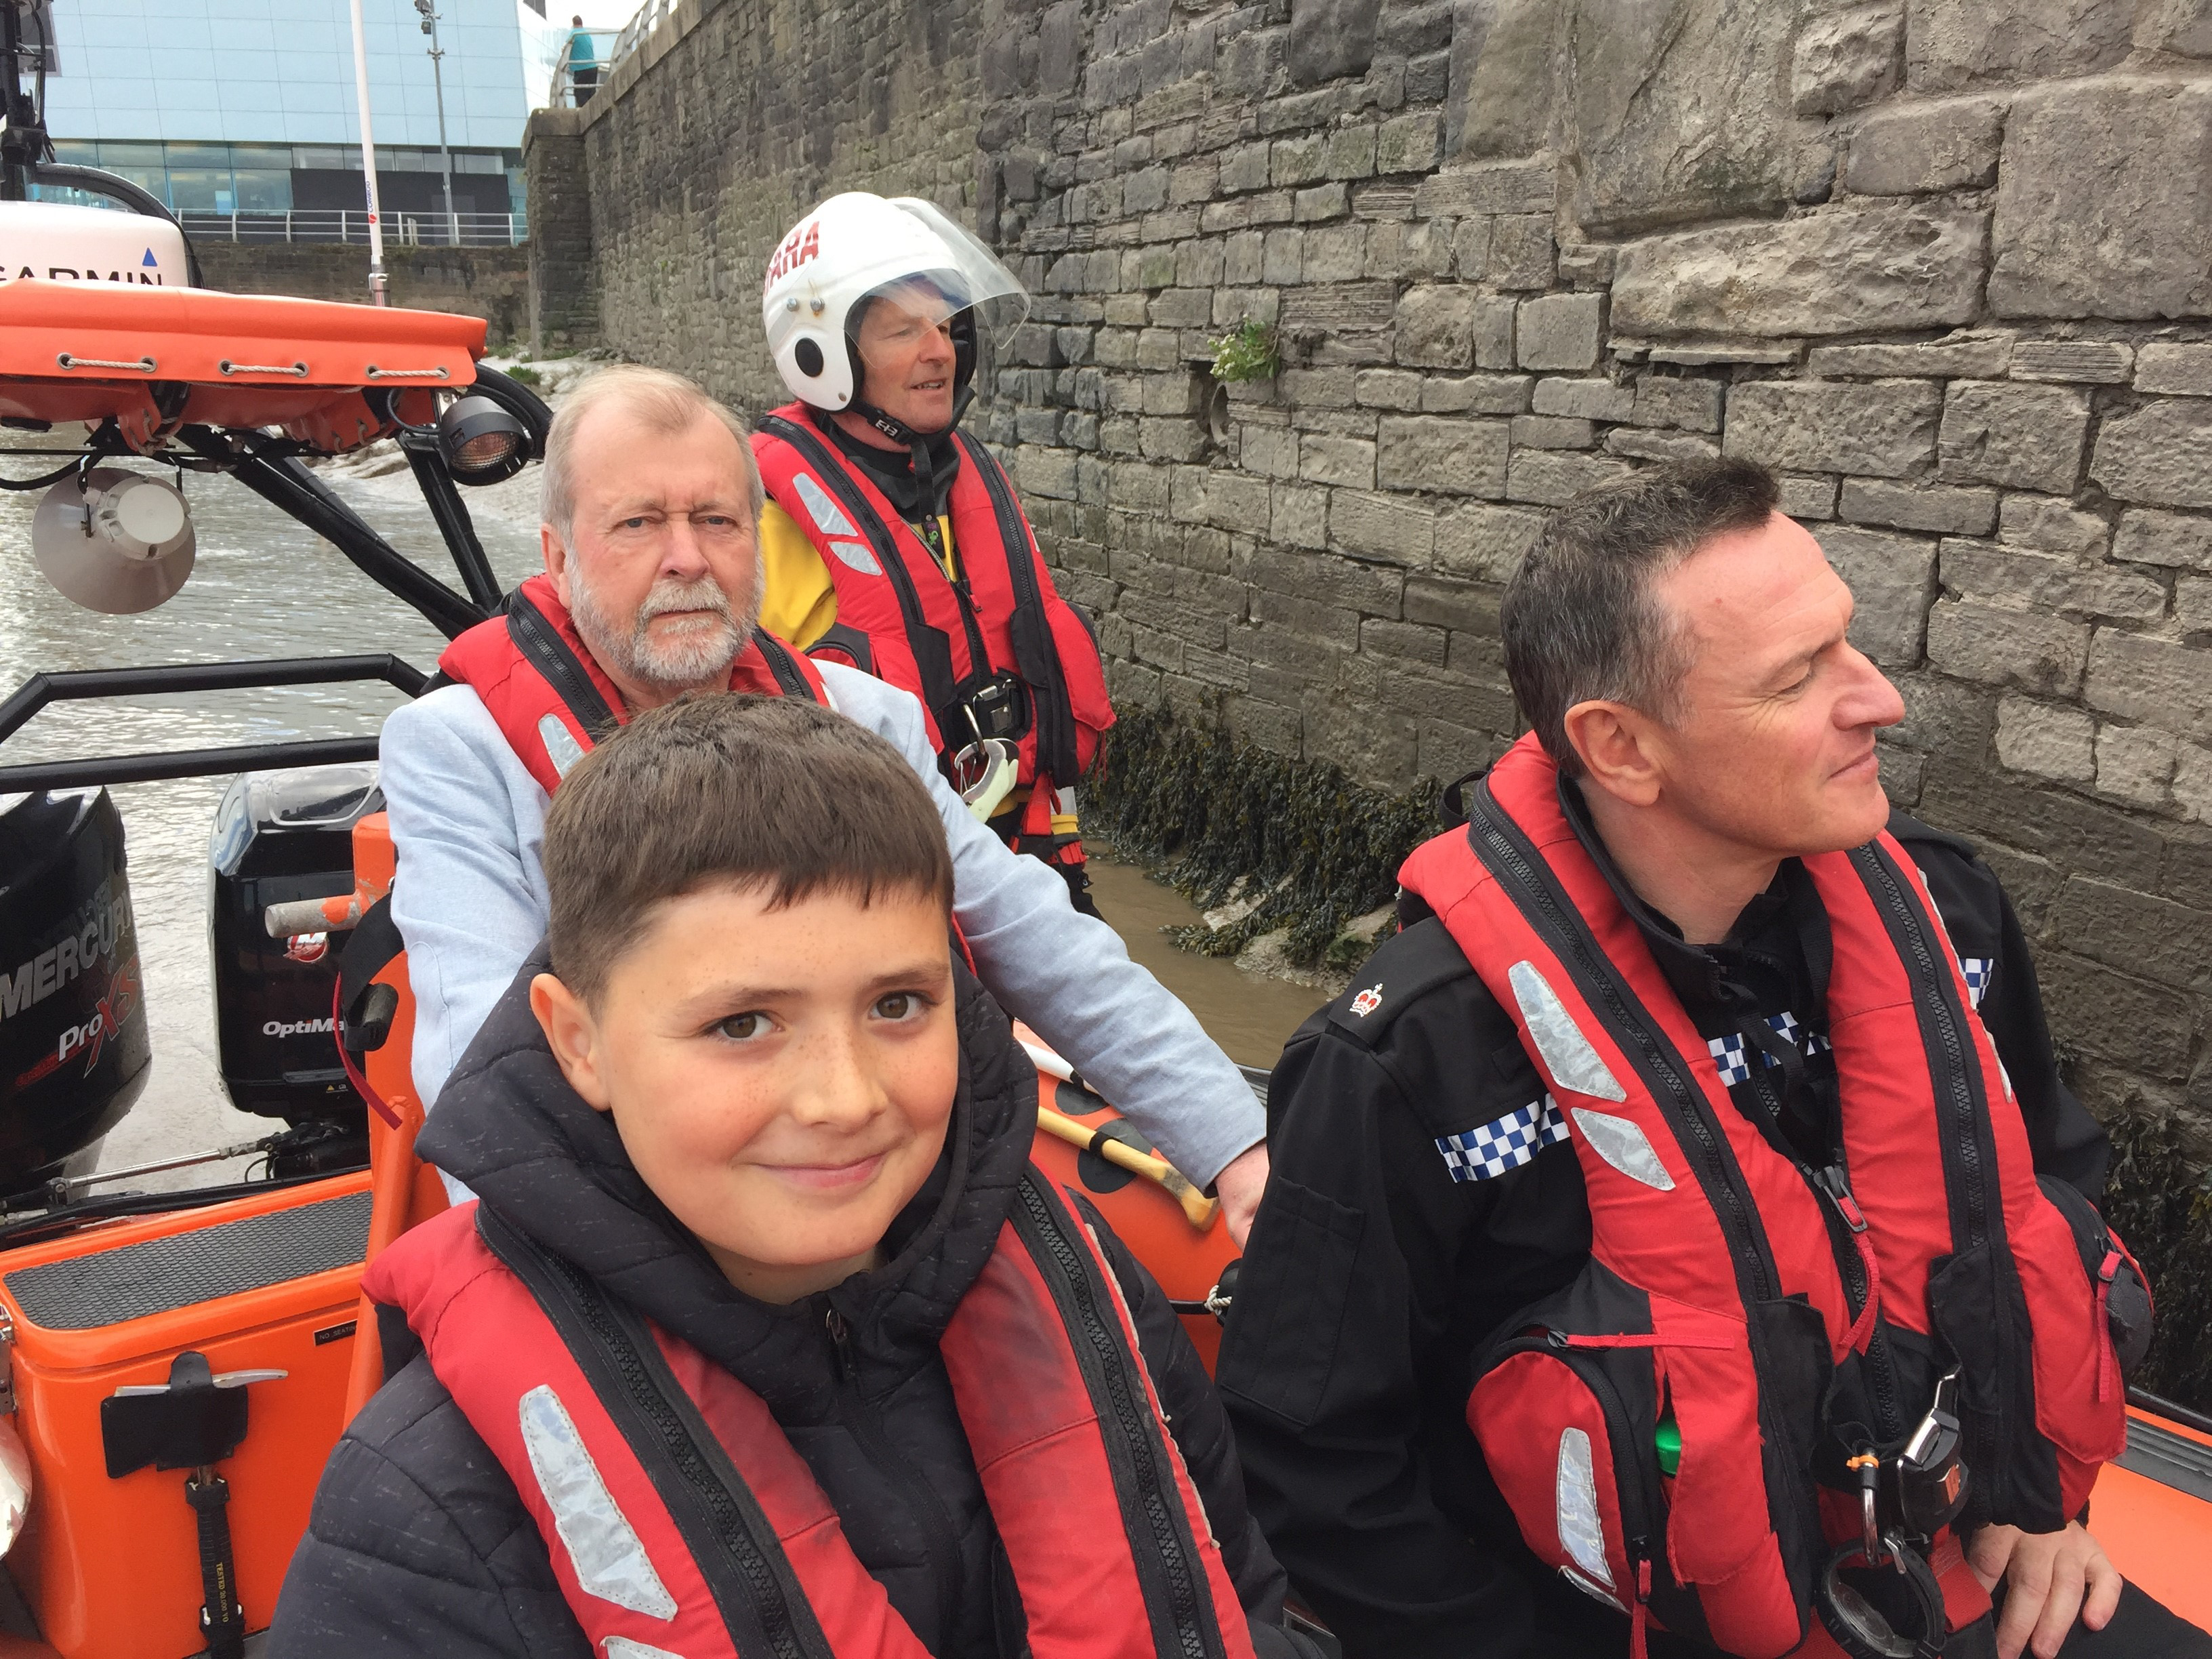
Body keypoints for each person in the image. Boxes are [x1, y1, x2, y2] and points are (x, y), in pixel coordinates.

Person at [1218, 460, 2200, 1659]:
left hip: (1954, 1557)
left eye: (1847, 643)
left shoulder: (1952, 920)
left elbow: (2040, 1198)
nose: (1880, 698)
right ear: (1620, 748)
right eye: (1798, 676)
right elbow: (1316, 1459)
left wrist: (2047, 1500)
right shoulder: (1411, 1059)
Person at [269, 695, 1322, 1659]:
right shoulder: (425, 1510)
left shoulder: (1090, 1292)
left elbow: (1239, 1595)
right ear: (578, 1043)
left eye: (898, 1006)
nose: (844, 1098)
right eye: (743, 1023)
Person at [375, 364, 1269, 1238]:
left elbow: (1036, 935)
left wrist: (1233, 1143)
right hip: (649, 1214)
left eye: (717, 521)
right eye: (639, 524)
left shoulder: (864, 715)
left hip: (874, 1169)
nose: (686, 559)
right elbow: (476, 1056)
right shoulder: (461, 750)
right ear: (559, 556)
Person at [752, 192, 1115, 914]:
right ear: (820, 353)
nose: (941, 352)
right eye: (904, 332)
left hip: (1024, 863)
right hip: (872, 889)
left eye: (950, 327)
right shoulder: (759, 522)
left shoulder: (967, 483)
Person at [565, 16, 597, 105]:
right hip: (593, 67)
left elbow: (566, 48)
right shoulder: (586, 34)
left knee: (581, 95)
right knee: (591, 96)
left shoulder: (574, 33)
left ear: (573, 24)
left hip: (581, 68)